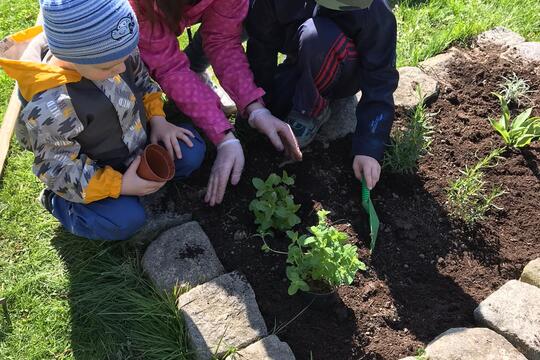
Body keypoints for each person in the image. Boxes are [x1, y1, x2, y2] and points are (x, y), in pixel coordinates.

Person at [0, 0, 206, 241]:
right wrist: (119, 185)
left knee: (191, 151)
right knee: (124, 221)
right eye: (108, 67)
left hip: (135, 144)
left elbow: (143, 83)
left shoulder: (115, 51)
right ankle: (60, 204)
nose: (121, 68)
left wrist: (158, 119)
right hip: (93, 170)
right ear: (71, 56)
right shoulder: (52, 105)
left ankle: (133, 182)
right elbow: (59, 169)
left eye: (126, 57)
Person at [130, 0, 302, 207]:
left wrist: (254, 107)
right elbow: (169, 67)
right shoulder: (136, 6)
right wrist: (223, 136)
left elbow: (223, 40)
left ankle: (194, 70)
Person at [246, 0, 399, 189]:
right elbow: (260, 45)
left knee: (316, 36)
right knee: (277, 104)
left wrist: (369, 148)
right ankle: (302, 86)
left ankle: (309, 111)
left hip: (344, 67)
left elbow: (380, 80)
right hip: (301, 59)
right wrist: (259, 105)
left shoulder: (375, 11)